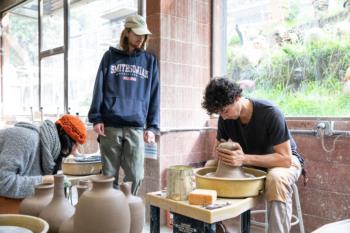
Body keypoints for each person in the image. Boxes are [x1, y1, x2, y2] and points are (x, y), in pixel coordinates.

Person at [202, 77, 304, 233]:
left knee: (276, 178)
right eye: (219, 113)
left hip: (282, 162)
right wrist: (222, 152)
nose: (223, 117)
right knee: (209, 168)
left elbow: (285, 159)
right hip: (251, 162)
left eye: (225, 111)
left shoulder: (270, 113)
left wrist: (243, 158)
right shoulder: (226, 119)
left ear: (237, 98)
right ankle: (217, 227)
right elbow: (217, 151)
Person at [88, 14, 160, 195]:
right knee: (108, 176)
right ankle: (111, 212)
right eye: (137, 34)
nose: (141, 38)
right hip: (110, 126)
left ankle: (127, 210)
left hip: (135, 127)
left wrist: (152, 126)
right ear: (127, 32)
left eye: (143, 35)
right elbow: (99, 87)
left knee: (136, 175)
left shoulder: (149, 61)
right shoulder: (109, 57)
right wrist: (96, 118)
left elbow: (154, 95)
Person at [0, 115, 87, 204]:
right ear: (65, 138)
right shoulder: (27, 140)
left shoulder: (50, 150)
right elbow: (4, 183)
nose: (74, 151)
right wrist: (44, 180)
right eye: (75, 145)